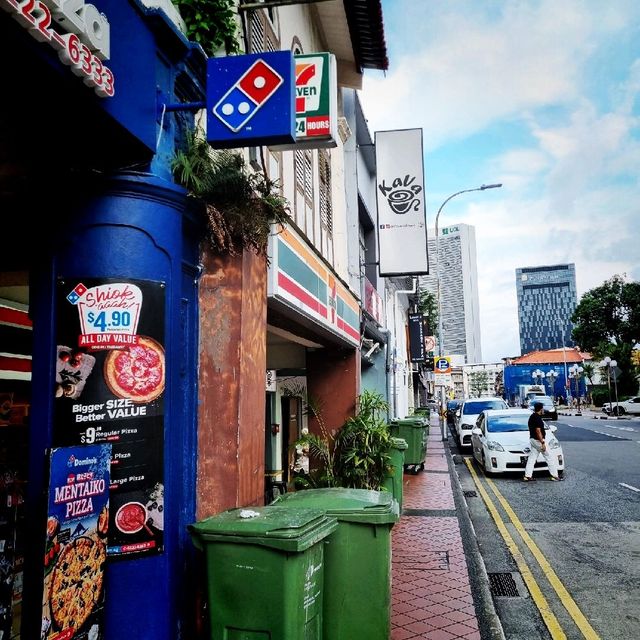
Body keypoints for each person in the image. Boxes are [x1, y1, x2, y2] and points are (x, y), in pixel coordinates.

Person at [523, 401, 562, 482]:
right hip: (538, 441)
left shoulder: (532, 416)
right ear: (540, 409)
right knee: (549, 457)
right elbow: (538, 431)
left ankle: (527, 476)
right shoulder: (537, 418)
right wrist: (543, 443)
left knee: (532, 458)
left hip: (532, 440)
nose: (543, 410)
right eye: (543, 409)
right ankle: (554, 476)